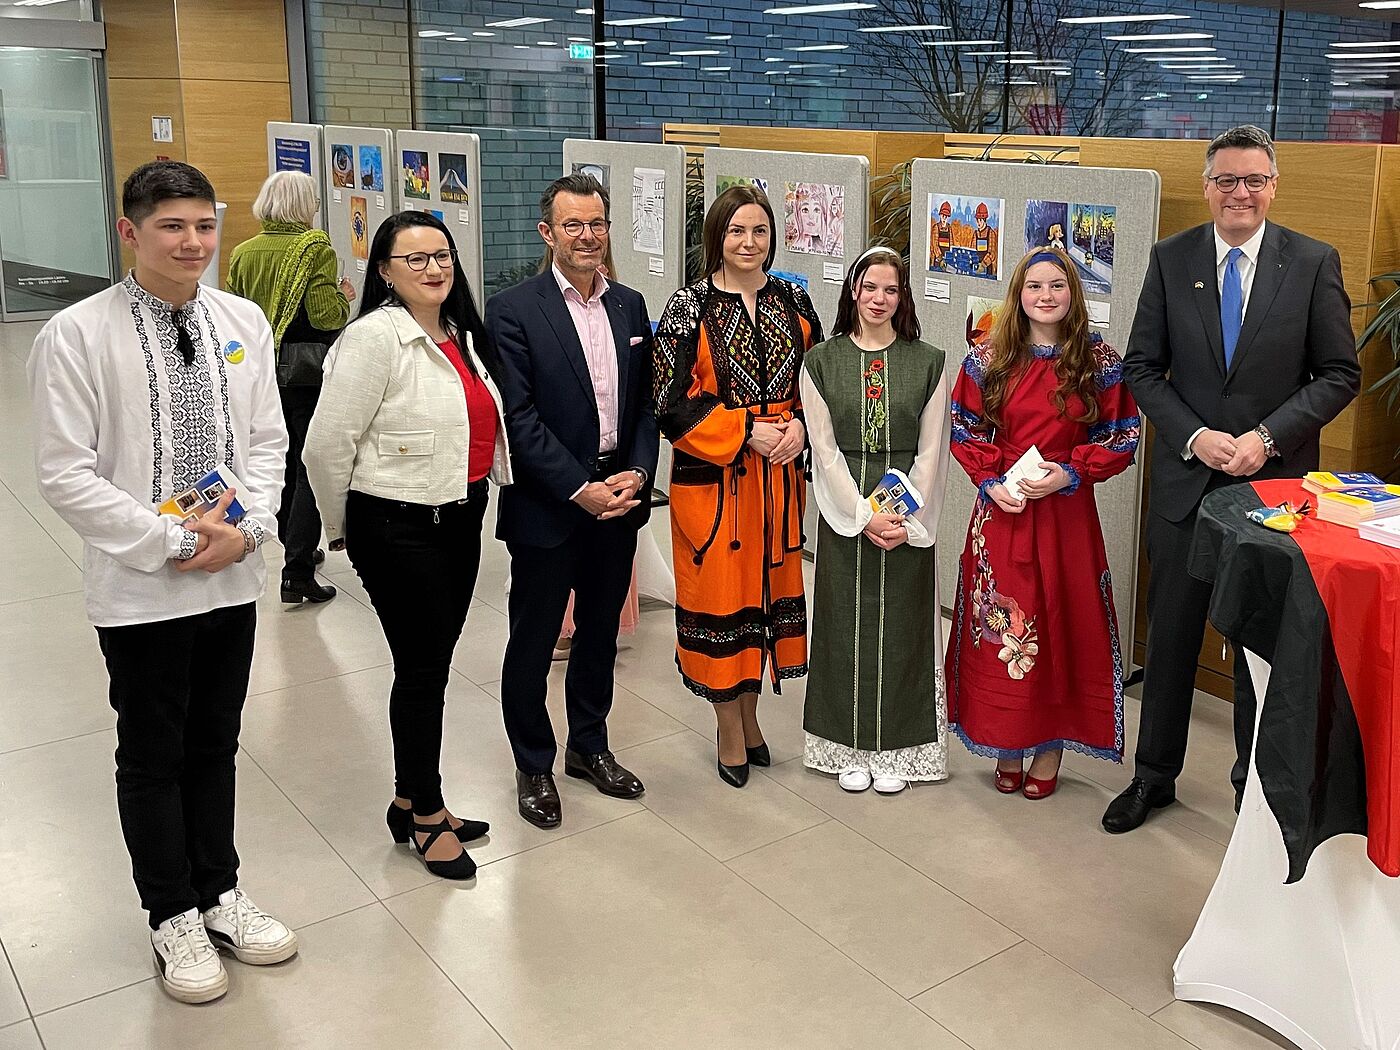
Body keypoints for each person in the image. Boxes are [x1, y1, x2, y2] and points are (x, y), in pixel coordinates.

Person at [27, 161, 297, 1004]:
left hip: (231, 578)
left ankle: (219, 889)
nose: (193, 244)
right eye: (173, 227)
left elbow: (267, 442)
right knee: (152, 752)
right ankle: (170, 910)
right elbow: (65, 474)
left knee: (215, 742)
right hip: (143, 588)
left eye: (205, 226)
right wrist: (173, 538)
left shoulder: (240, 318)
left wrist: (246, 529)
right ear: (130, 233)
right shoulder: (75, 334)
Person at [1106, 124, 1362, 832]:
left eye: (1254, 180)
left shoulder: (1312, 263)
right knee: (1173, 641)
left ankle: (1254, 792)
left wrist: (1265, 438)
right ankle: (1153, 776)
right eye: (1226, 180)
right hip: (1187, 487)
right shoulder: (1171, 258)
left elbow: (1340, 373)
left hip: (1270, 495)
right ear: (1208, 185)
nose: (1239, 192)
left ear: (1274, 187)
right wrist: (1194, 435)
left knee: (1259, 650)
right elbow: (1141, 368)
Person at [304, 212, 511, 878]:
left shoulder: (459, 334)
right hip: (396, 525)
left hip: (461, 513)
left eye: (441, 256)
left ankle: (408, 797)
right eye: (414, 259)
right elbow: (325, 445)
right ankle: (427, 816)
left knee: (432, 664)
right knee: (421, 670)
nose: (433, 269)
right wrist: (343, 530)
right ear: (385, 271)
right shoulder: (374, 339)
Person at [488, 174, 658, 829]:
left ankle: (589, 747)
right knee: (532, 640)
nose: (587, 237)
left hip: (618, 498)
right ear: (548, 233)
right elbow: (519, 418)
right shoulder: (513, 310)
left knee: (599, 636)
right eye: (573, 226)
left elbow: (645, 404)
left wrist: (638, 472)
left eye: (597, 224)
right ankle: (533, 762)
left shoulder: (631, 305)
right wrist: (578, 487)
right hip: (549, 506)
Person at [947, 246, 1141, 799]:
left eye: (1057, 286)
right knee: (1003, 626)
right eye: (1035, 287)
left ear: (1073, 294)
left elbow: (1122, 433)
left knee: (1059, 623)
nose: (1046, 296)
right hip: (1004, 512)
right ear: (1018, 294)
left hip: (1066, 515)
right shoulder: (987, 358)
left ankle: (1050, 745)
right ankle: (1008, 741)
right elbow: (963, 427)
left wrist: (1071, 472)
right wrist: (991, 481)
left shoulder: (1099, 362)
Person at [654, 184, 823, 787]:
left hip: (779, 483)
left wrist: (801, 428)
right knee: (722, 602)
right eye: (736, 231)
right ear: (716, 238)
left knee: (764, 603)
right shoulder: (687, 307)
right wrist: (747, 430)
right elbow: (668, 407)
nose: (748, 243)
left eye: (758, 230)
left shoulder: (797, 302)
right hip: (717, 483)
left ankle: (751, 720)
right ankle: (729, 727)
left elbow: (820, 387)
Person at [801, 247, 951, 794]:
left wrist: (895, 516)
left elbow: (933, 450)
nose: (879, 299)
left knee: (906, 628)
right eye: (870, 288)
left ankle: (901, 747)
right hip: (846, 513)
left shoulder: (930, 361)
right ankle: (848, 744)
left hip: (907, 514)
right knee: (844, 626)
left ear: (902, 297)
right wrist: (862, 514)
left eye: (891, 290)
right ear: (853, 293)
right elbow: (822, 446)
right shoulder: (820, 361)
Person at [226, 169, 354, 604]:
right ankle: (297, 569)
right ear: (305, 206)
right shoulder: (314, 248)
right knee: (307, 467)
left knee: (272, 459)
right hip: (305, 373)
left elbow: (234, 314)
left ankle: (292, 542)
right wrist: (344, 296)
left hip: (257, 372)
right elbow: (325, 316)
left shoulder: (243, 252)